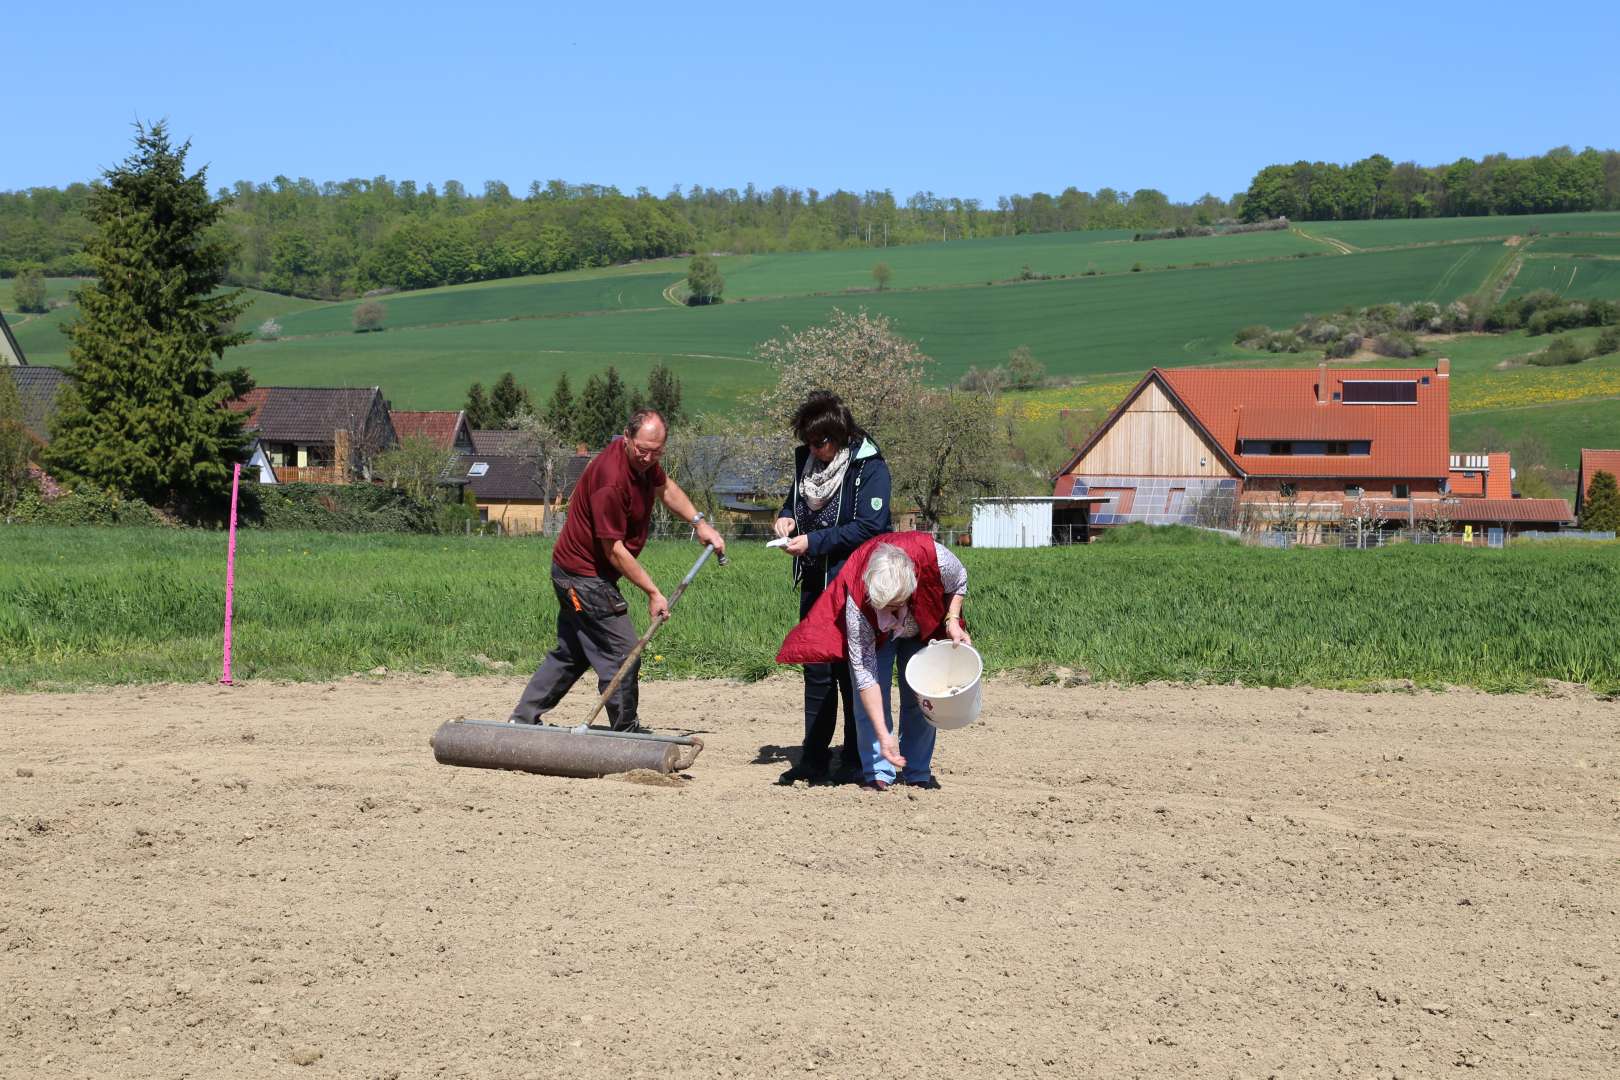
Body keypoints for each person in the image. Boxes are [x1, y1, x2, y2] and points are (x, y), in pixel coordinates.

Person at [509, 408, 725, 731]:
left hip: (582, 574)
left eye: (656, 452)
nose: (649, 458)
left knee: (572, 653)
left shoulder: (644, 465)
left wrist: (699, 523)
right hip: (582, 578)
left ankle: (522, 720)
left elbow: (665, 488)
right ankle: (625, 731)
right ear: (626, 438)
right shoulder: (611, 479)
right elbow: (614, 551)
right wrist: (653, 592)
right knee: (624, 653)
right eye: (642, 450)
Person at [777, 532, 970, 791]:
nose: (889, 614)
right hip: (874, 632)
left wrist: (952, 620)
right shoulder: (858, 603)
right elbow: (865, 676)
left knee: (922, 692)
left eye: (894, 607)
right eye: (883, 606)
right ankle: (878, 771)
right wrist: (883, 734)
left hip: (922, 621)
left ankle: (917, 772)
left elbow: (959, 582)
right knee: (864, 696)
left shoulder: (938, 559)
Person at [772, 391, 892, 784]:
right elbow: (795, 503)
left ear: (839, 436)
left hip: (853, 583)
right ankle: (814, 757)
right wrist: (787, 519)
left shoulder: (870, 467)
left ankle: (858, 757)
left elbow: (869, 527)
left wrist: (814, 541)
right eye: (808, 442)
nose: (813, 449)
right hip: (814, 581)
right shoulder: (806, 463)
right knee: (816, 669)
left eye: (820, 442)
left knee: (852, 671)